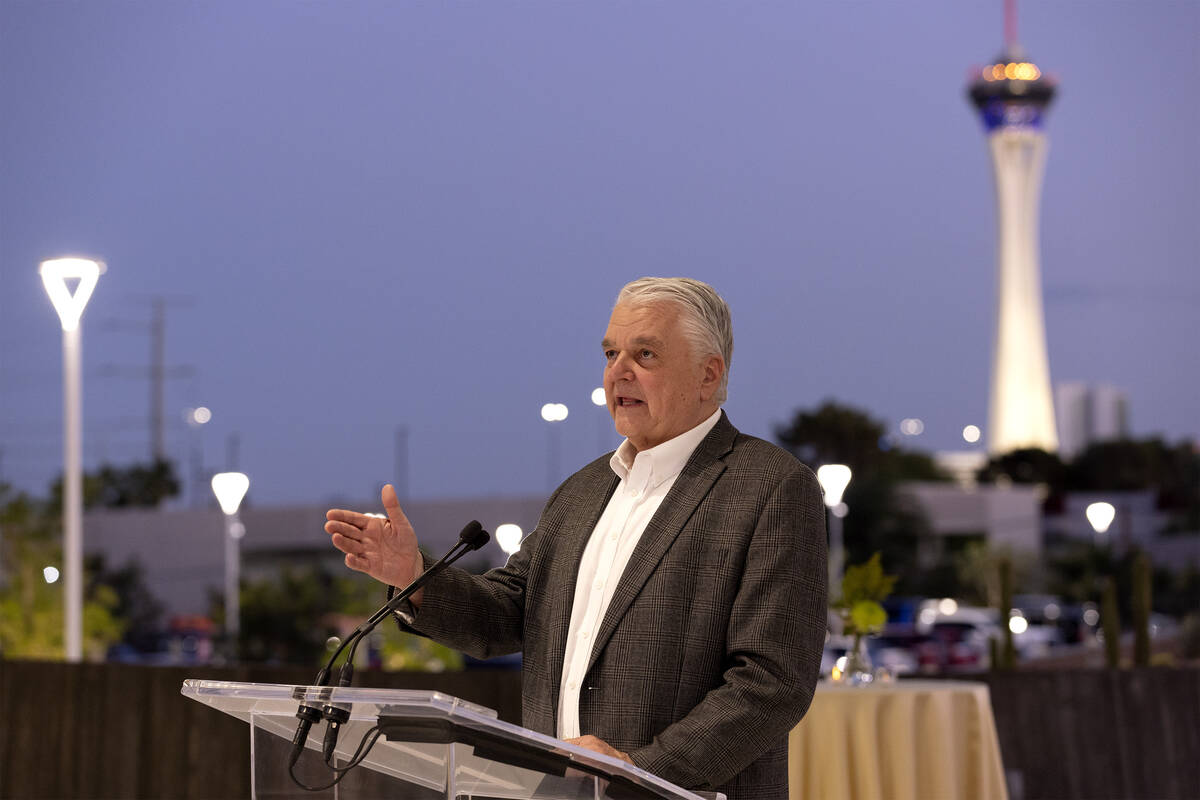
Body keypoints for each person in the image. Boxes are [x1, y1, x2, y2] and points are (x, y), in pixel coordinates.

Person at [326, 277, 827, 799]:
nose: (618, 371)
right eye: (611, 353)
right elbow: (507, 614)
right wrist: (414, 577)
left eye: (645, 353)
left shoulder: (771, 487)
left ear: (708, 373)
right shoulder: (583, 491)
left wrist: (638, 771)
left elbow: (773, 684)